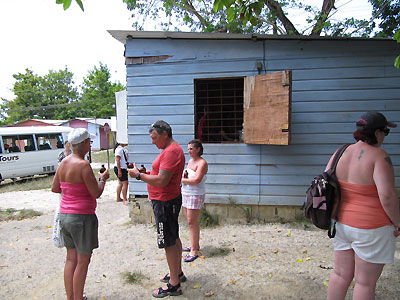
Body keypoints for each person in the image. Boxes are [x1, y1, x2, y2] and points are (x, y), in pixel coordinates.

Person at [326, 111, 400, 300]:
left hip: (341, 223)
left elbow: (327, 181)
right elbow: (388, 196)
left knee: (340, 275)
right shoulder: (380, 157)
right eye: (385, 132)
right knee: (364, 283)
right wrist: (398, 222)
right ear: (377, 133)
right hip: (371, 228)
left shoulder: (341, 151)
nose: (385, 136)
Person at [128, 120, 185, 298]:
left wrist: (139, 175)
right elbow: (161, 175)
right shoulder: (170, 150)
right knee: (173, 236)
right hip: (168, 199)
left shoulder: (171, 151)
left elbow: (162, 181)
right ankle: (178, 273)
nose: (152, 142)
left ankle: (174, 285)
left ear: (164, 134)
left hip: (165, 201)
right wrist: (148, 173)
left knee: (167, 240)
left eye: (154, 138)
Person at [51, 128, 109, 300]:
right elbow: (95, 192)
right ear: (84, 144)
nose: (90, 145)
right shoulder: (83, 165)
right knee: (83, 261)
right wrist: (102, 179)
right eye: (89, 142)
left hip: (65, 216)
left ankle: (71, 297)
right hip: (82, 217)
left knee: (71, 260)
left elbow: (55, 188)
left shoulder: (64, 163)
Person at [181, 140, 208, 262]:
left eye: (191, 149)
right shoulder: (190, 161)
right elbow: (188, 176)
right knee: (189, 221)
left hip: (196, 194)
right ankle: (194, 245)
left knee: (192, 222)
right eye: (188, 149)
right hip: (186, 193)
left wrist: (179, 180)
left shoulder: (202, 163)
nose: (189, 151)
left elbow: (197, 180)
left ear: (198, 149)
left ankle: (194, 250)